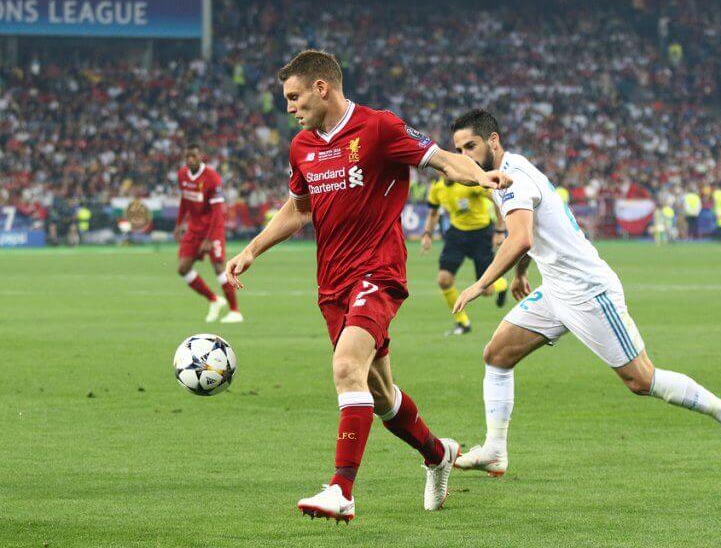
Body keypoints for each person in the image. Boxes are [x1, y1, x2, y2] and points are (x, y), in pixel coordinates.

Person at [225, 50, 511, 523]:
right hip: (332, 284)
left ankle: (341, 490)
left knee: (345, 367)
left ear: (322, 88)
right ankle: (438, 453)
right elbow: (299, 208)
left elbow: (440, 160)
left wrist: (483, 177)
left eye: (294, 97)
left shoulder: (379, 128)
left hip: (377, 272)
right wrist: (253, 248)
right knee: (379, 394)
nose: (290, 107)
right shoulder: (302, 147)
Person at [443, 110, 721, 478]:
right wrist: (521, 275)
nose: (465, 157)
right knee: (496, 355)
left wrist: (481, 284)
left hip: (588, 290)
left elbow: (520, 237)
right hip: (557, 288)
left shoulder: (513, 180)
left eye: (471, 146)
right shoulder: (506, 171)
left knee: (641, 380)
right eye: (459, 150)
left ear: (493, 140)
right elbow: (532, 233)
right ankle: (495, 450)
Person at [421, 175, 508, 336]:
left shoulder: (468, 182)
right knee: (443, 280)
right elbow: (433, 213)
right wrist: (427, 234)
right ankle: (463, 322)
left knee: (486, 291)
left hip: (481, 234)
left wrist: (499, 229)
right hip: (457, 234)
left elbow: (497, 199)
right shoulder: (437, 188)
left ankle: (502, 284)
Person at [175, 143, 242, 324]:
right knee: (183, 268)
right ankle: (214, 300)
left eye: (194, 156)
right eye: (187, 157)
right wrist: (179, 223)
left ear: (200, 156)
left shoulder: (212, 178)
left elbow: (217, 212)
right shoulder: (182, 175)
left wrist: (209, 239)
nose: (190, 160)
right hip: (194, 229)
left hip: (213, 228)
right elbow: (184, 200)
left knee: (219, 267)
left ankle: (235, 311)